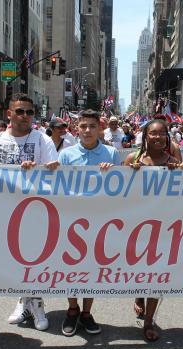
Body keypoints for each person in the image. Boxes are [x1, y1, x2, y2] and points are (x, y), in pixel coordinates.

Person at [0, 93, 59, 331]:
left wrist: (37, 168)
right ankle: (24, 301)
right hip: (5, 211)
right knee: (15, 261)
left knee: (34, 259)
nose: (25, 116)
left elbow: (53, 171)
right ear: (9, 114)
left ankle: (36, 303)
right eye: (19, 111)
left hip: (36, 211)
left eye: (29, 112)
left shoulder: (42, 141)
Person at [123, 118, 183, 341]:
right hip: (135, 225)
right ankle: (138, 295)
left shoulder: (173, 160)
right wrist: (129, 172)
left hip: (163, 226)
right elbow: (116, 189)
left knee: (155, 273)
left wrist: (179, 172)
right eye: (153, 133)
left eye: (162, 133)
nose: (158, 137)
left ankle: (150, 320)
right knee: (138, 269)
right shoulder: (133, 158)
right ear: (145, 136)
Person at [57, 109, 122, 337]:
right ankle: (72, 309)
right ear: (77, 129)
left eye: (92, 126)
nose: (87, 130)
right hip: (72, 222)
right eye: (83, 126)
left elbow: (123, 188)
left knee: (92, 269)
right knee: (71, 269)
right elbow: (58, 187)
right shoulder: (66, 155)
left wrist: (114, 173)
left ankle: (86, 312)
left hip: (100, 221)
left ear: (100, 128)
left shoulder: (112, 153)